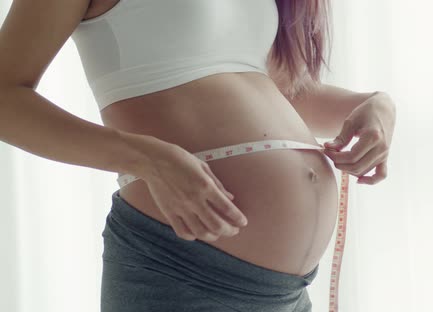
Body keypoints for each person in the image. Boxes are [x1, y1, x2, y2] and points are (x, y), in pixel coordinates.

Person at [0, 0, 396, 311]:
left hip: (288, 292)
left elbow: (278, 91)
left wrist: (376, 105)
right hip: (179, 270)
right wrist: (145, 157)